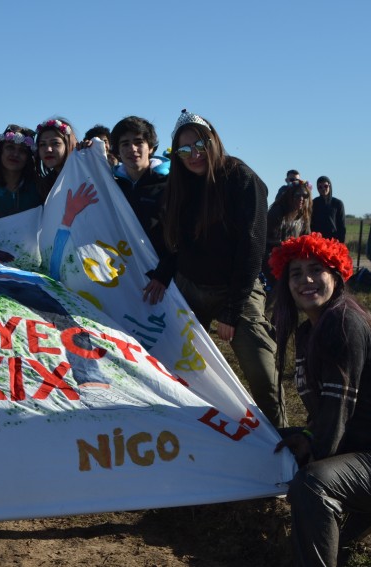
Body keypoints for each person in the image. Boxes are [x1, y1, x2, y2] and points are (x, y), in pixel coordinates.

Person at [269, 233, 371, 566]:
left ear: (336, 274)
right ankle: (347, 534)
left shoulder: (343, 323)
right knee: (287, 447)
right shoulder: (308, 332)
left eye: (316, 269)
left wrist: (312, 460)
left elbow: (337, 411)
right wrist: (305, 436)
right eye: (296, 273)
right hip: (369, 449)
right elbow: (325, 415)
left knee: (312, 485)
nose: (306, 280)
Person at [145, 109, 287, 428]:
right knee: (169, 361)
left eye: (200, 145)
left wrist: (234, 308)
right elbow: (176, 241)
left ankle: (285, 442)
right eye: (184, 150)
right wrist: (162, 274)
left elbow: (252, 245)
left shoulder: (241, 179)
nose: (193, 155)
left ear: (214, 142)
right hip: (191, 285)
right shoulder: (180, 185)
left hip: (236, 287)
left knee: (262, 374)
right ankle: (179, 431)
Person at [109, 116, 170, 256]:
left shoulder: (168, 185)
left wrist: (161, 275)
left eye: (139, 142)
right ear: (117, 151)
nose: (132, 149)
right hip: (121, 269)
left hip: (159, 273)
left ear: (150, 148)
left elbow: (176, 239)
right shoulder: (112, 186)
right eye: (125, 144)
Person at [264, 180, 312, 301]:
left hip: (291, 257)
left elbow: (307, 236)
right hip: (272, 257)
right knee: (274, 292)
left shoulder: (303, 214)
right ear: (290, 196)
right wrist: (288, 246)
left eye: (305, 196)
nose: (301, 198)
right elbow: (267, 239)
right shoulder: (277, 212)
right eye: (298, 195)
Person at [35, 117, 78, 200]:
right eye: (42, 144)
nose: (48, 150)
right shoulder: (43, 186)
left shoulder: (83, 173)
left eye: (55, 143)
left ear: (68, 144)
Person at [311, 175, 346, 242]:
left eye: (325, 186)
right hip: (317, 241)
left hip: (333, 241)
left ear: (329, 186)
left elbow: (342, 226)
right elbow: (311, 224)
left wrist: (341, 243)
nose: (323, 189)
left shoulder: (337, 203)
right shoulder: (313, 203)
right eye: (320, 187)